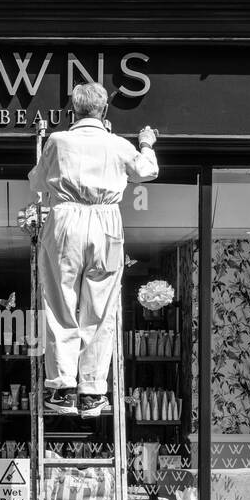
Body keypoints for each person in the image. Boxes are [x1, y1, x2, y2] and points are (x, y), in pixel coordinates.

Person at [28, 83, 159, 418]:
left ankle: (63, 388)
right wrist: (146, 143)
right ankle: (92, 392)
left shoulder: (58, 141)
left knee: (61, 304)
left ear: (73, 109)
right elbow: (147, 171)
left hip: (66, 218)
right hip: (106, 222)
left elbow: (37, 183)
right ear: (103, 110)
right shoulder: (117, 144)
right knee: (101, 309)